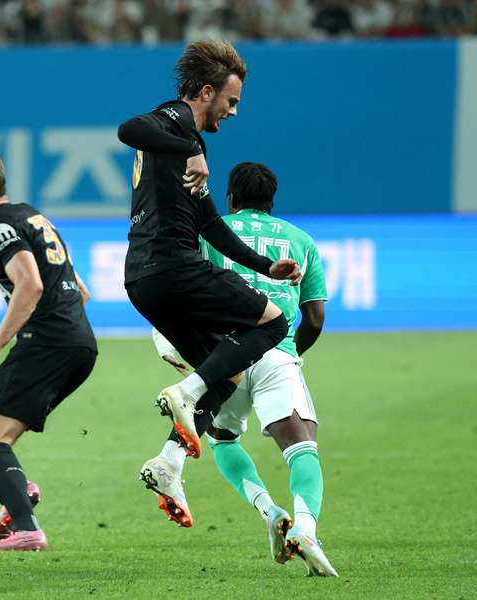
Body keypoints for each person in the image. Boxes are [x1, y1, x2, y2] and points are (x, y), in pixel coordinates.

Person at [117, 41, 300, 484]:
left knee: (227, 374)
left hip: (143, 279)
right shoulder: (177, 119)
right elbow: (128, 129)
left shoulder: (186, 144)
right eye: (231, 101)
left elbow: (211, 224)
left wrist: (263, 265)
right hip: (172, 266)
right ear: (205, 92)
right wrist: (189, 148)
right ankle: (185, 391)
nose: (234, 112)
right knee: (274, 325)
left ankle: (169, 464)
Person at [144, 162, 337, 576]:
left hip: (222, 355)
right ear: (272, 201)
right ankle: (304, 528)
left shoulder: (210, 231)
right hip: (275, 350)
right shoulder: (300, 240)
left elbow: (182, 288)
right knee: (301, 448)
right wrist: (284, 353)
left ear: (230, 199)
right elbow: (316, 318)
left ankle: (268, 511)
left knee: (223, 440)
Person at [0, 150, 97, 552]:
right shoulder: (33, 216)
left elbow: (30, 285)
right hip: (79, 343)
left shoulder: (0, 227)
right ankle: (17, 490)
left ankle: (27, 530)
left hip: (48, 344)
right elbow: (81, 291)